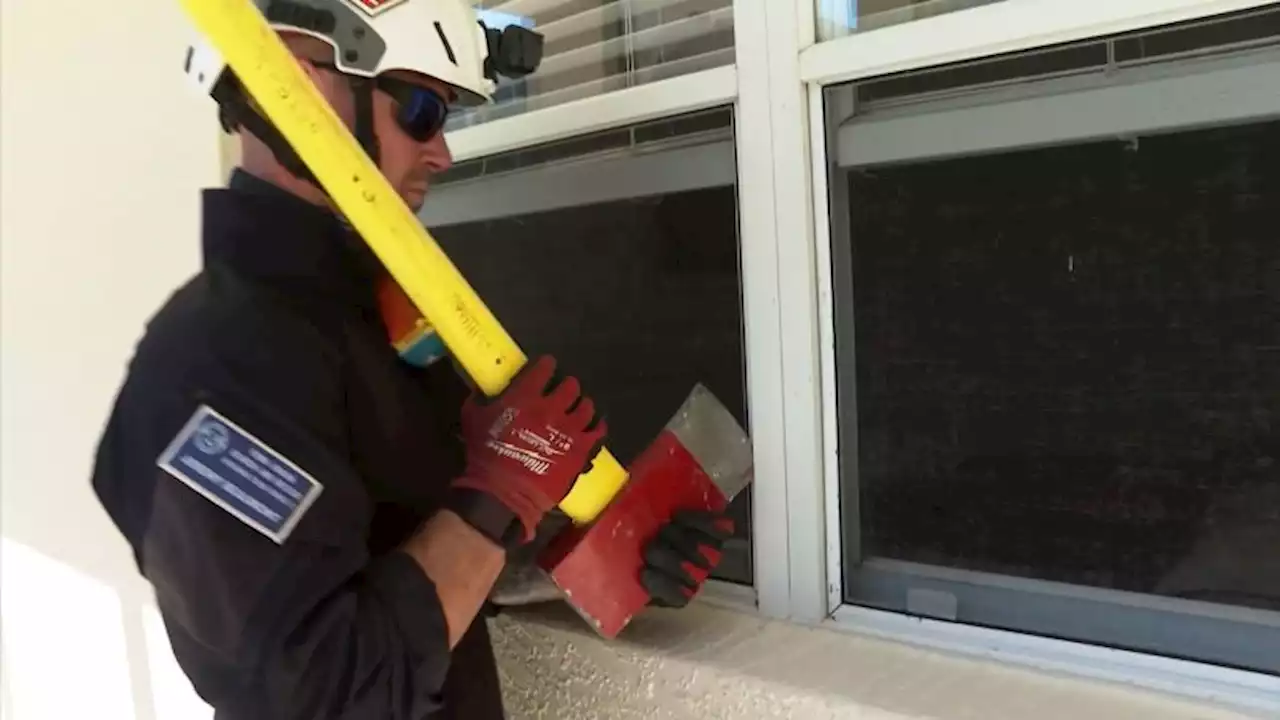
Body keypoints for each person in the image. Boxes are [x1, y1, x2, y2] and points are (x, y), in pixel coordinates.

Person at [89, 1, 733, 718]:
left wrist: (597, 553)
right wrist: (498, 495)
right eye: (423, 109)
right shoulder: (214, 364)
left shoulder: (364, 322)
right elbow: (320, 692)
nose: (443, 151)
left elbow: (409, 557)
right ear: (302, 88)